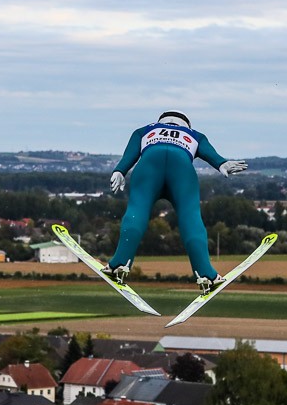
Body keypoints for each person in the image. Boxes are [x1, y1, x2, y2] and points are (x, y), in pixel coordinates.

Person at [105, 111, 247, 293]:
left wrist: (120, 170)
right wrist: (221, 164)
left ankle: (119, 263)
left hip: (149, 165)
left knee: (137, 209)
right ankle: (206, 275)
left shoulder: (144, 131)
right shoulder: (195, 135)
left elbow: (129, 155)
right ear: (187, 124)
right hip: (181, 168)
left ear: (160, 121)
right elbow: (211, 155)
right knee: (191, 217)